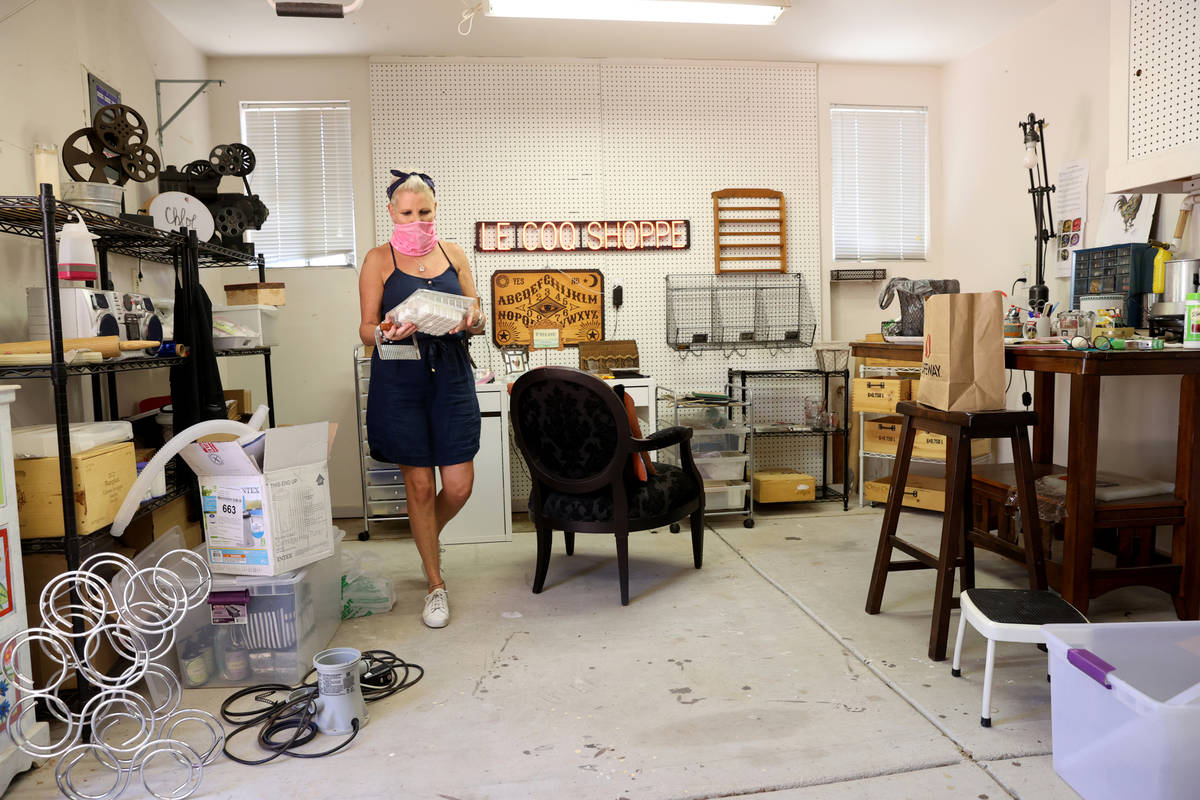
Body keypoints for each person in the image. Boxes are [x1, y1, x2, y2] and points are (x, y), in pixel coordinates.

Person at [358, 170, 486, 628]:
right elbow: (366, 328)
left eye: (425, 212)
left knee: (457, 486)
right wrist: (387, 331)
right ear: (392, 213)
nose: (417, 220)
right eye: (408, 213)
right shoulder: (378, 259)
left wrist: (469, 320)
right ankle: (435, 583)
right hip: (401, 377)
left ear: (435, 211)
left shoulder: (453, 253)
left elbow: (478, 315)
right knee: (417, 485)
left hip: (451, 376)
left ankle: (425, 534)